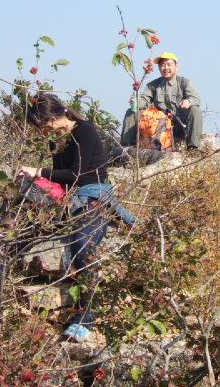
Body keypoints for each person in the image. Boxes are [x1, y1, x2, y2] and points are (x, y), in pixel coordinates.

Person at [21, 93, 135, 342]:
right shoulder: (56, 141)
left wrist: (39, 171)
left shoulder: (84, 131)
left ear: (52, 118)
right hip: (69, 198)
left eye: (41, 125)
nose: (42, 131)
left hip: (94, 194)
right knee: (20, 197)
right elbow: (60, 179)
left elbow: (77, 175)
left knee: (82, 244)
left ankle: (86, 316)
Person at [120, 52, 202, 150]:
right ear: (159, 68)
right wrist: (136, 102)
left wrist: (188, 101)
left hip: (178, 127)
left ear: (176, 66)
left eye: (169, 64)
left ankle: (193, 148)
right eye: (162, 65)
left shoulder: (185, 83)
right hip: (159, 126)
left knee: (195, 110)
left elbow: (196, 98)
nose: (166, 68)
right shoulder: (153, 85)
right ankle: (126, 148)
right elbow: (144, 100)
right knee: (132, 111)